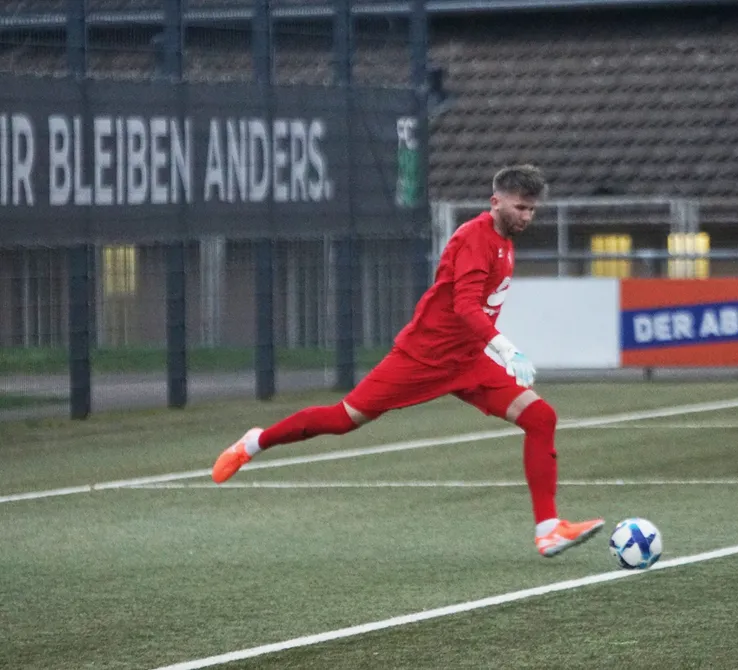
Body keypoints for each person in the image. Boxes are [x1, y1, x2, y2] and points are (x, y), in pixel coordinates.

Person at [212, 164, 604, 557]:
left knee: (541, 417)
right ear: (495, 201)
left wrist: (489, 350)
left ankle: (549, 529)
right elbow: (465, 305)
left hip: (468, 361)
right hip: (423, 356)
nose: (526, 217)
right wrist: (505, 347)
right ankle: (254, 442)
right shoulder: (474, 238)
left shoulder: (505, 242)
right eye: (520, 207)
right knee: (342, 419)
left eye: (532, 210)